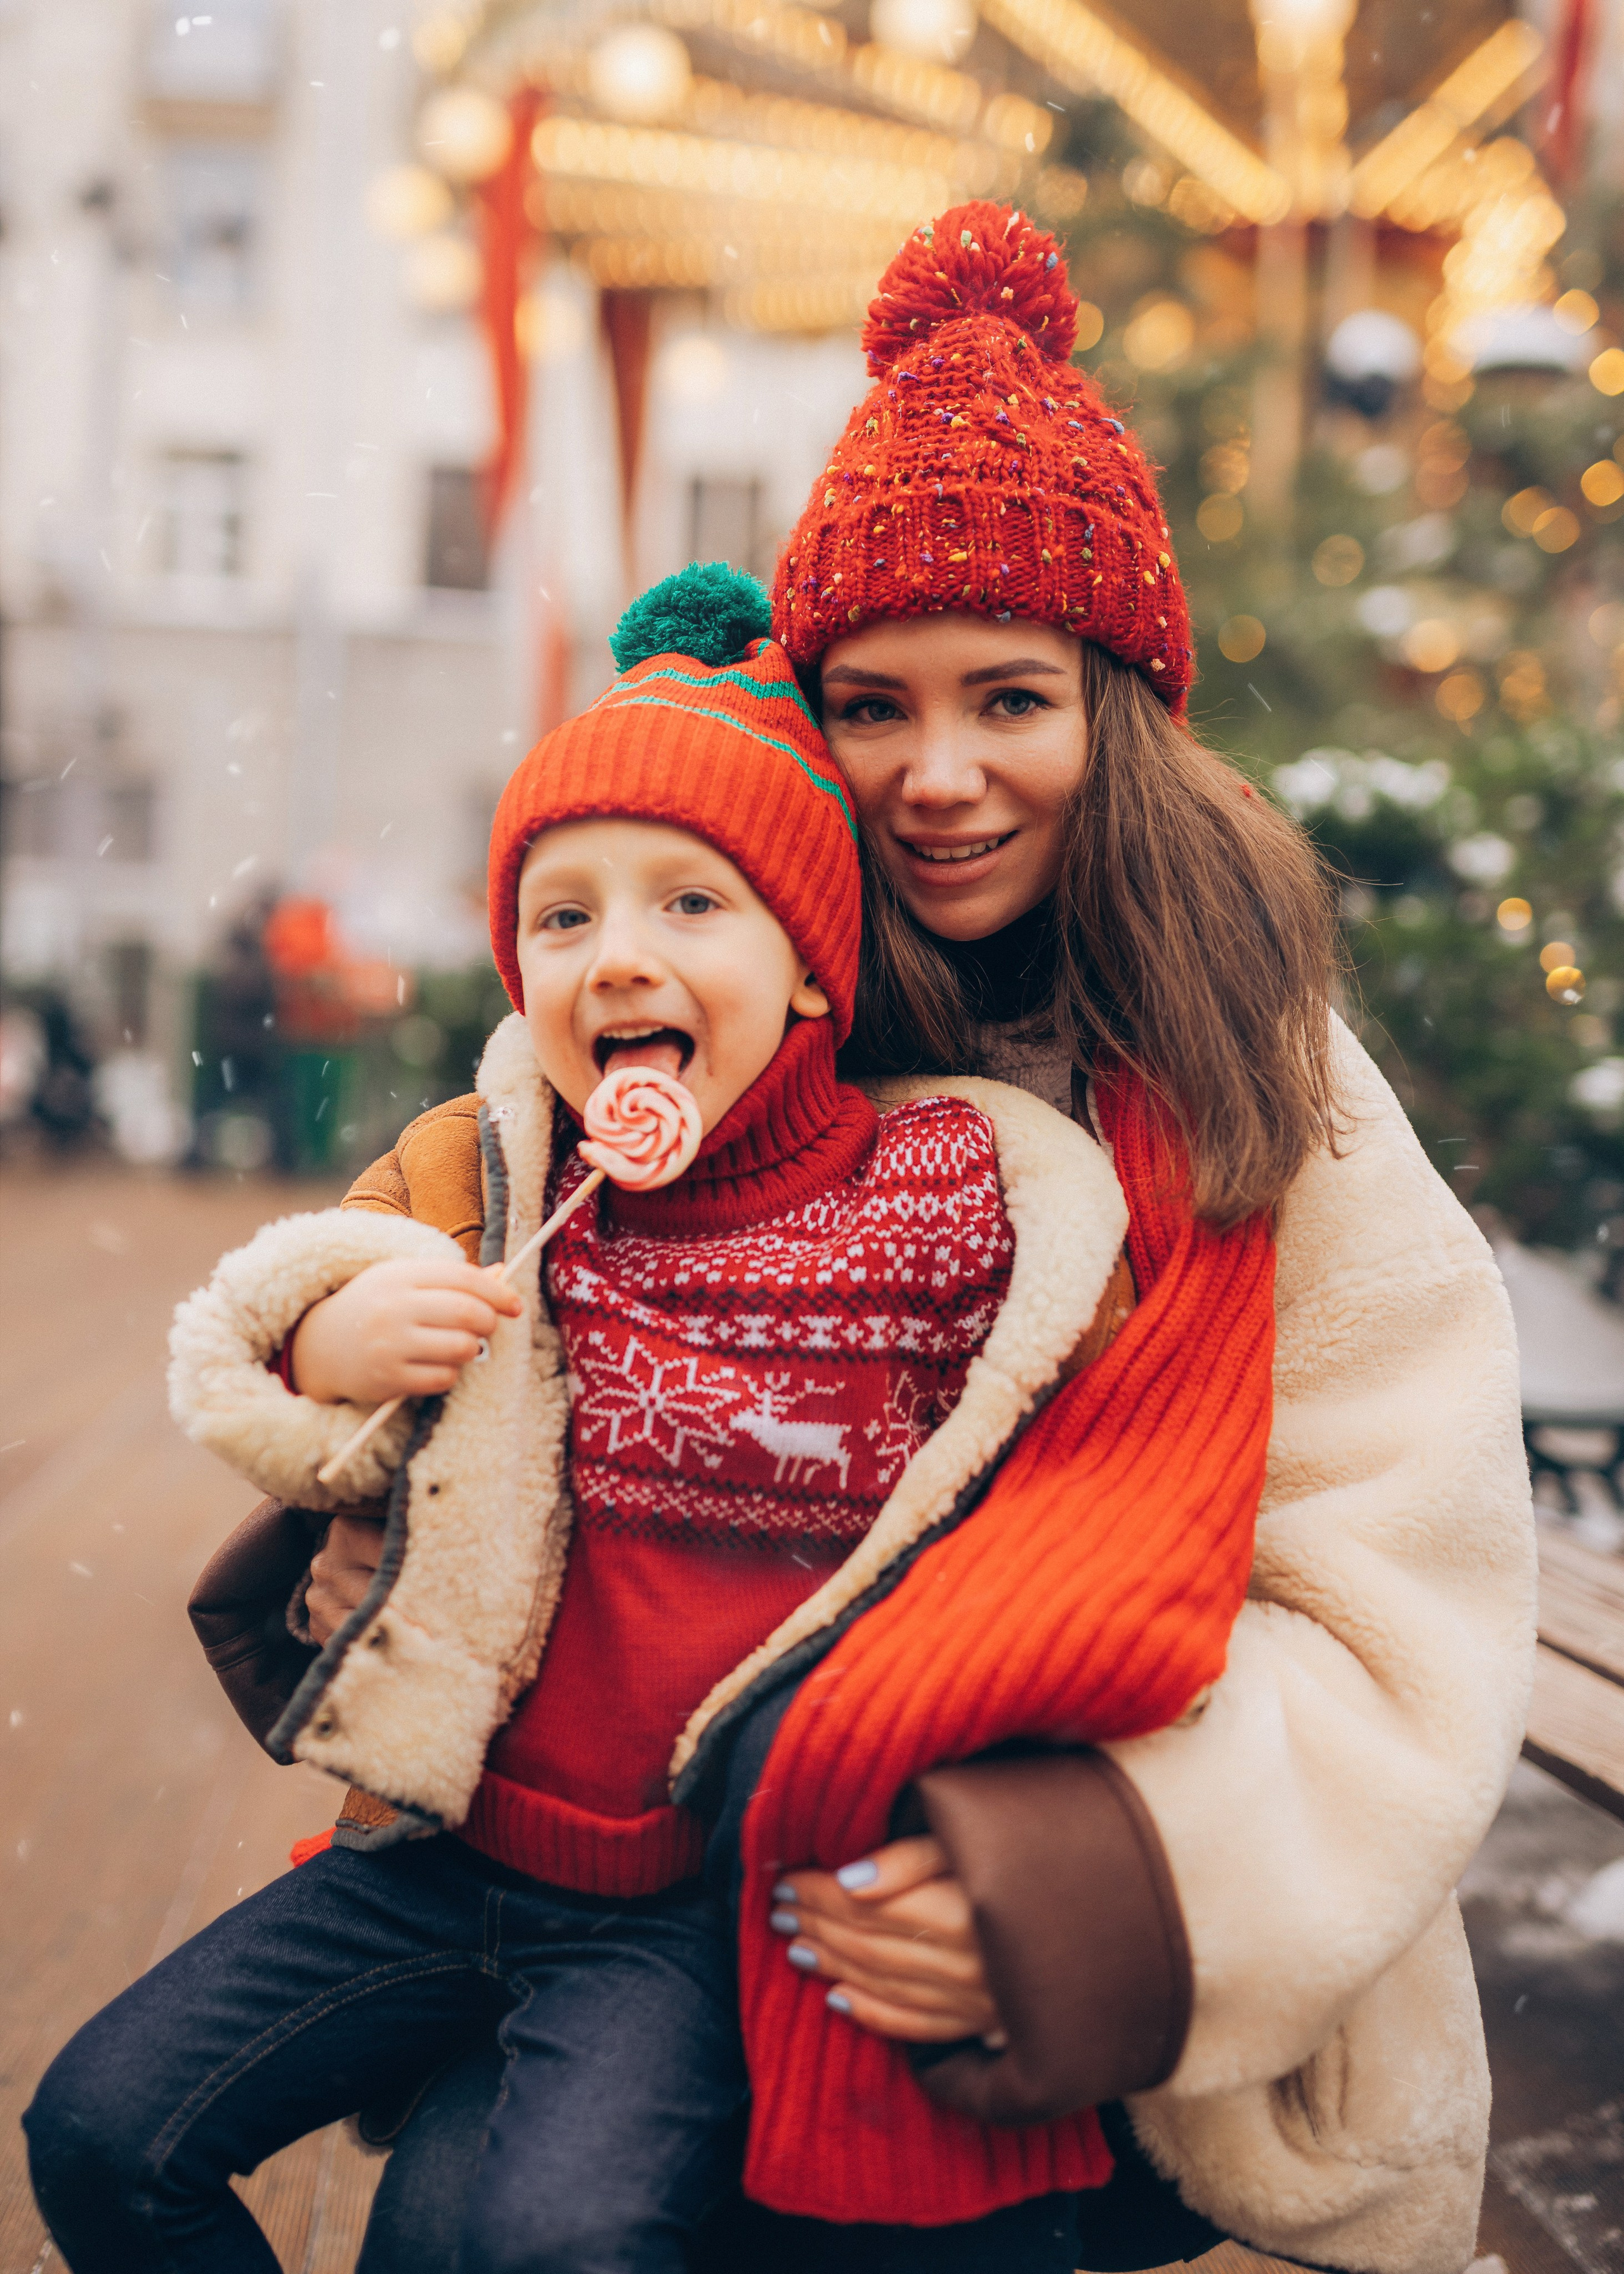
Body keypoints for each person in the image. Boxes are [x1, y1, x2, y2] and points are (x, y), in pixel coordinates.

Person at [242, 204, 1535, 2274]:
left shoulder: (1248, 1075)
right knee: (472, 2230)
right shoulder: (712, 977)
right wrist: (352, 1403)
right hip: (637, 1878)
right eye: (870, 704)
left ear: (1116, 704)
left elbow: (1404, 1567)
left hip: (1037, 1937)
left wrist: (1089, 1879)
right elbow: (471, 1278)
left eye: (1009, 697)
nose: (938, 779)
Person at [25, 563, 1141, 2274]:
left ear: (816, 968)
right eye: (565, 919)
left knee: (557, 2240)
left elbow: (1083, 1449)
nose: (620, 954)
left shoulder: (950, 1190)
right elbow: (262, 1343)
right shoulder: (500, 1174)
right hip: (440, 1849)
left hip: (679, 1910)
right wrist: (332, 1337)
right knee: (100, 2130)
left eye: (693, 905)